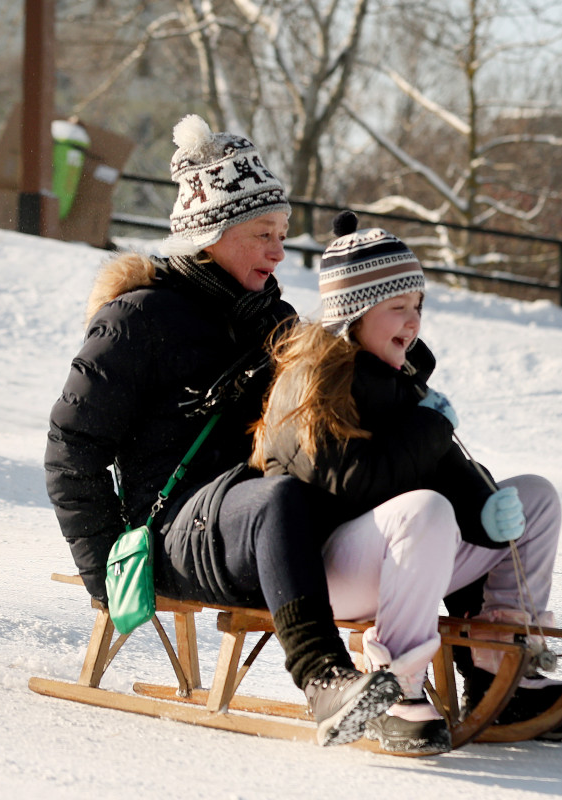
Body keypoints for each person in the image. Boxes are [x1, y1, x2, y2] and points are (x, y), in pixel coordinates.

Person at [43, 116, 401, 748]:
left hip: (259, 524)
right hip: (177, 529)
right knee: (280, 498)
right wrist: (106, 568)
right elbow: (73, 447)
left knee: (401, 491)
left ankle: (487, 670)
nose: (278, 251)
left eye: (283, 235)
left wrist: (387, 357)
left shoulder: (277, 322)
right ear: (210, 234)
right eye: (263, 234)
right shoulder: (137, 319)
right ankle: (324, 680)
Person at [249, 211, 562, 755]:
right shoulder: (308, 383)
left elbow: (443, 471)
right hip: (327, 568)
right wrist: (429, 426)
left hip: (404, 554)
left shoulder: (402, 381)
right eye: (397, 309)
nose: (412, 324)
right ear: (354, 313)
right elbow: (355, 482)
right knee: (426, 510)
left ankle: (499, 663)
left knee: (534, 497)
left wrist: (484, 506)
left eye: (417, 308)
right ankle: (397, 685)